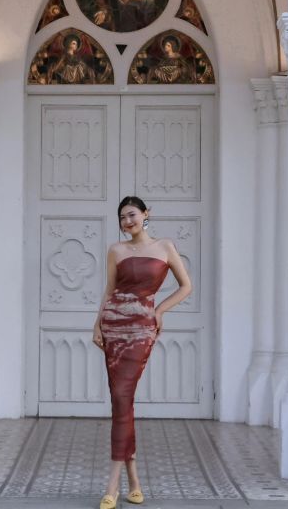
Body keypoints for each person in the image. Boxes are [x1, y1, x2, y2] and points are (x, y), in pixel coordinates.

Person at [92, 195, 192, 508]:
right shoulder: (116, 250)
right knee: (122, 401)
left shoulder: (165, 247)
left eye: (132, 215)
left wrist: (160, 310)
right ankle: (133, 480)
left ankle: (112, 483)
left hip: (141, 328)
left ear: (146, 214)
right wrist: (97, 325)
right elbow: (110, 291)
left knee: (123, 398)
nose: (127, 222)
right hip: (113, 326)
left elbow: (186, 285)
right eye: (122, 218)